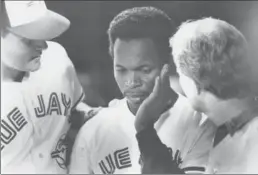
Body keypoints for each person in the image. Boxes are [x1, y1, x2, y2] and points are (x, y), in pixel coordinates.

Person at [69, 6, 212, 174]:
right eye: (121, 70)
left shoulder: (201, 122)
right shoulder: (94, 129)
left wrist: (144, 127)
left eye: (144, 70)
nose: (131, 82)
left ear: (170, 63)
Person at [135, 17, 258, 174]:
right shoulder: (232, 134)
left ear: (194, 78)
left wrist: (144, 128)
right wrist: (145, 130)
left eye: (179, 72)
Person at [1, 1, 97, 173]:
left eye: (42, 32)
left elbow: (73, 113)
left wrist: (97, 117)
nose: (43, 45)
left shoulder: (56, 58)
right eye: (29, 39)